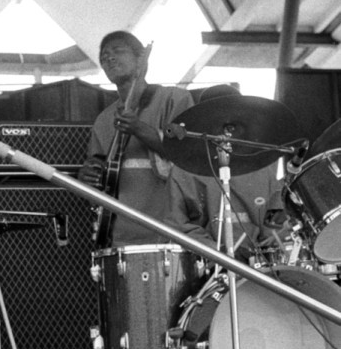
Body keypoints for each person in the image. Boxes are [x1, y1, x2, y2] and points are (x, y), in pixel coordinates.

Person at [77, 31, 194, 247]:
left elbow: (188, 154)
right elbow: (98, 167)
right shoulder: (104, 120)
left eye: (118, 51)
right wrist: (88, 176)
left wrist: (139, 128)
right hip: (121, 236)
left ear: (141, 59)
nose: (109, 58)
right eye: (104, 57)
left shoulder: (174, 99)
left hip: (170, 232)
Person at [166, 84, 291, 266]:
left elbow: (276, 224)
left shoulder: (264, 167)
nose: (226, 131)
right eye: (218, 121)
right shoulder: (184, 170)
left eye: (232, 124)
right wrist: (217, 253)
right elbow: (177, 226)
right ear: (203, 125)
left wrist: (262, 251)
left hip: (259, 270)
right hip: (209, 270)